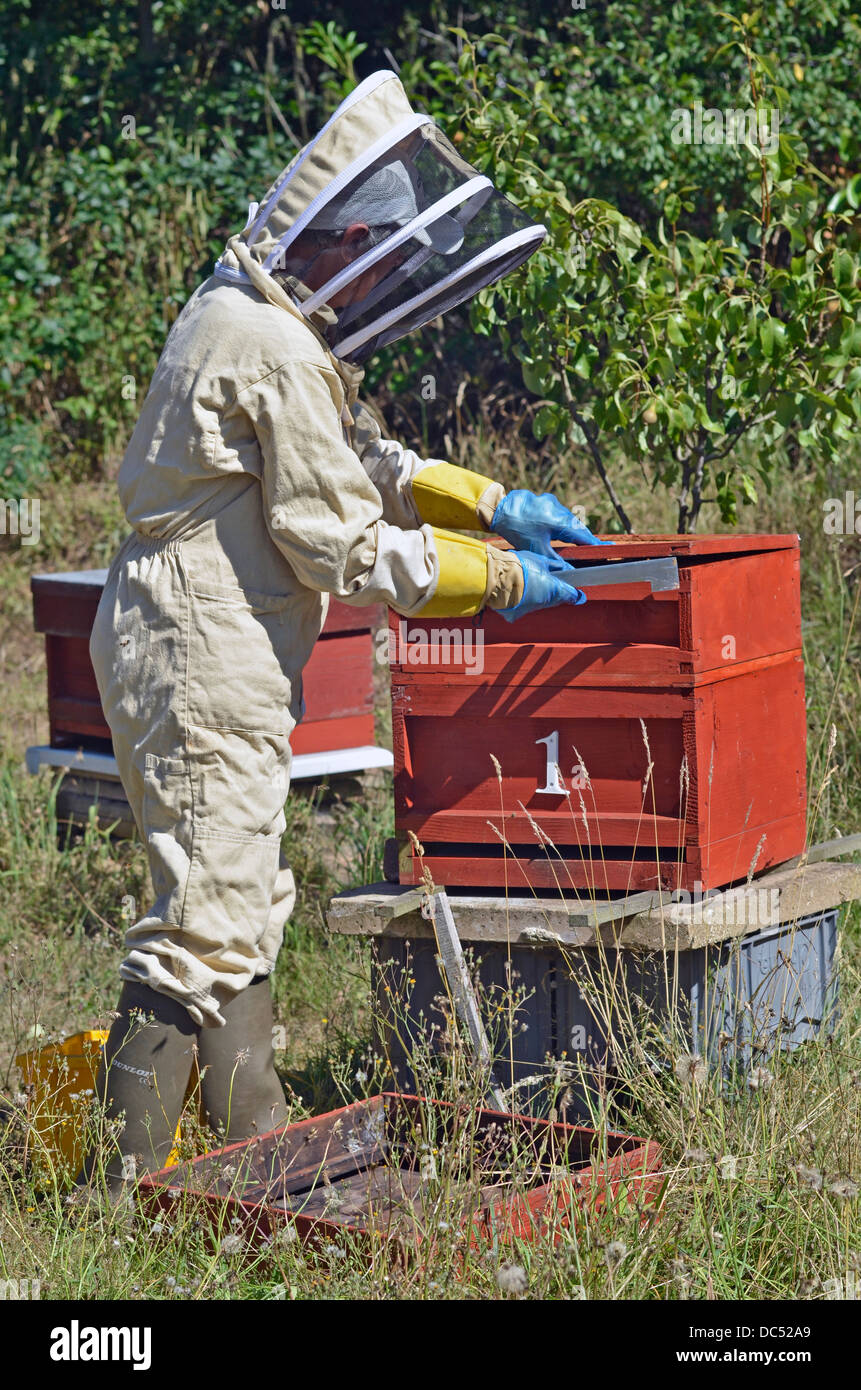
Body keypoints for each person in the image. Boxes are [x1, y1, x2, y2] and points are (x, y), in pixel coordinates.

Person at [77, 70, 609, 1194]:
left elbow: (363, 460)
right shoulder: (260, 337)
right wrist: (498, 577)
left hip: (208, 642)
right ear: (332, 239)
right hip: (197, 648)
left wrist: (488, 500)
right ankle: (111, 1206)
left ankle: (248, 1165)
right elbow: (348, 549)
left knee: (240, 906)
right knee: (198, 928)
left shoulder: (256, 318)